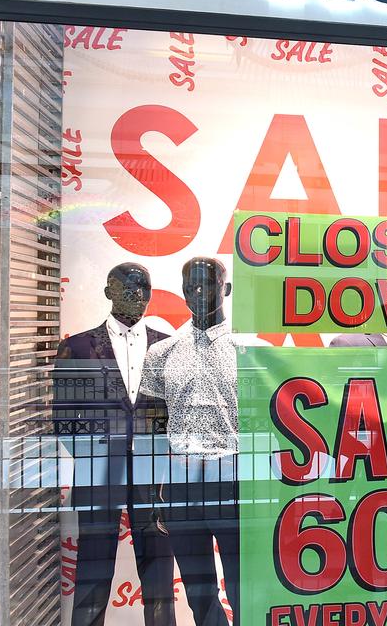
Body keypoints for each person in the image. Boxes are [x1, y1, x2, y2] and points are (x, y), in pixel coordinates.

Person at [53, 263, 175, 626]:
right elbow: (63, 420)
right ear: (108, 292)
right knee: (92, 581)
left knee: (159, 586)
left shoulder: (166, 347)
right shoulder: (76, 348)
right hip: (99, 479)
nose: (138, 294)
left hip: (155, 481)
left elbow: (175, 414)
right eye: (128, 286)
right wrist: (97, 464)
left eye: (145, 287)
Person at [140, 257, 248, 625]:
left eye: (207, 284)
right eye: (189, 286)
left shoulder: (248, 350)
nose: (197, 293)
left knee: (243, 584)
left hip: (234, 478)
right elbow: (152, 424)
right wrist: (154, 487)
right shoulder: (163, 353)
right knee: (198, 588)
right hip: (182, 480)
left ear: (226, 288)